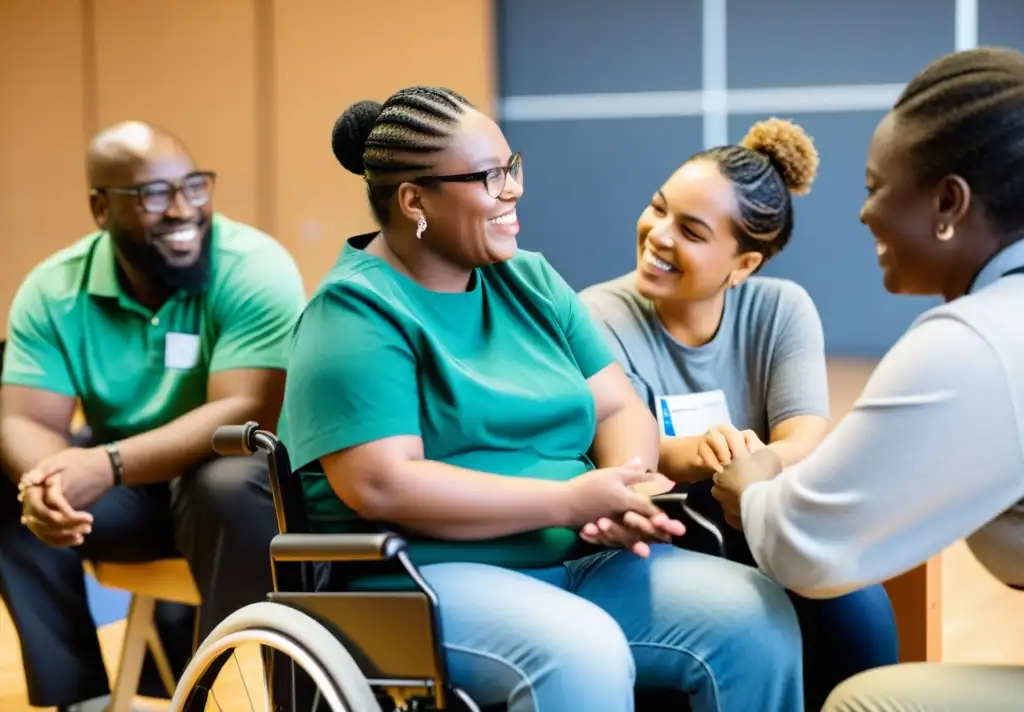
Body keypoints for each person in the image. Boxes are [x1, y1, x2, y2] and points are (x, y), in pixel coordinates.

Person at [278, 86, 805, 712]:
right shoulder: (354, 311)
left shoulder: (528, 278)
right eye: (487, 177)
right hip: (420, 578)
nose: (513, 189)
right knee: (582, 653)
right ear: (414, 200)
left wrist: (623, 486)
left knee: (754, 618)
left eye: (512, 166)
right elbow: (383, 484)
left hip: (579, 557)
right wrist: (568, 501)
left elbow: (617, 408)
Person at [709, 46, 1024, 711]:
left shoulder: (976, 341)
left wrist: (752, 487)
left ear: (948, 201)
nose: (862, 214)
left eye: (875, 186)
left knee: (868, 701)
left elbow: (805, 547)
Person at [579, 118, 899, 708]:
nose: (659, 235)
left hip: (760, 513)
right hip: (662, 534)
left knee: (859, 609)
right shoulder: (596, 315)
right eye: (658, 208)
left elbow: (805, 432)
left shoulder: (781, 309)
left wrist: (754, 463)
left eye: (692, 231)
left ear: (744, 265)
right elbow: (626, 455)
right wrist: (704, 454)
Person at [0, 121, 307, 712]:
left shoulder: (253, 266)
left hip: (225, 486)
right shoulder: (55, 287)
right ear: (99, 207)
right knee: (12, 483)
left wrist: (107, 465)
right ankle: (80, 696)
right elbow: (25, 419)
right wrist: (51, 483)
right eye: (154, 194)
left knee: (232, 480)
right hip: (129, 493)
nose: (183, 209)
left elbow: (246, 409)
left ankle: (213, 691)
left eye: (194, 186)